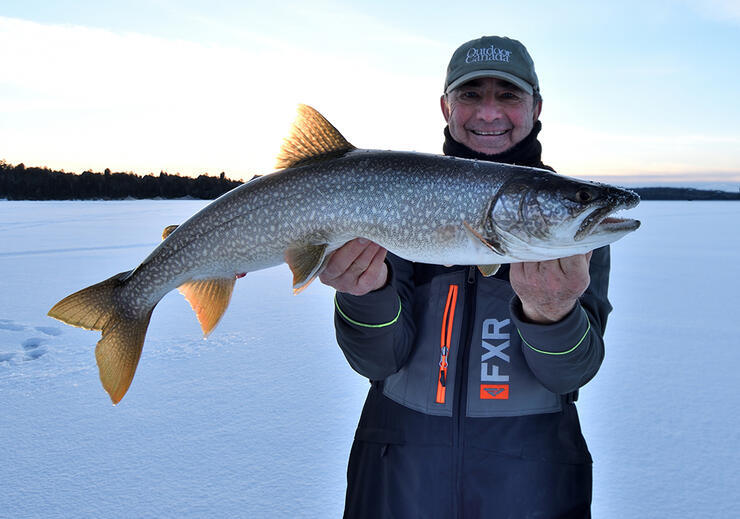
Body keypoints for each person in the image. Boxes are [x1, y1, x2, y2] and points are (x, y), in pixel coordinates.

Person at [319, 36, 609, 518]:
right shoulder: (395, 197)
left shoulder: (568, 229)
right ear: (445, 106)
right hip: (397, 478)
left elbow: (572, 374)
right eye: (472, 94)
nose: (489, 112)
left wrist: (551, 314)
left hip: (531, 483)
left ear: (536, 108)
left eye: (508, 95)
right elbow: (377, 361)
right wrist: (364, 294)